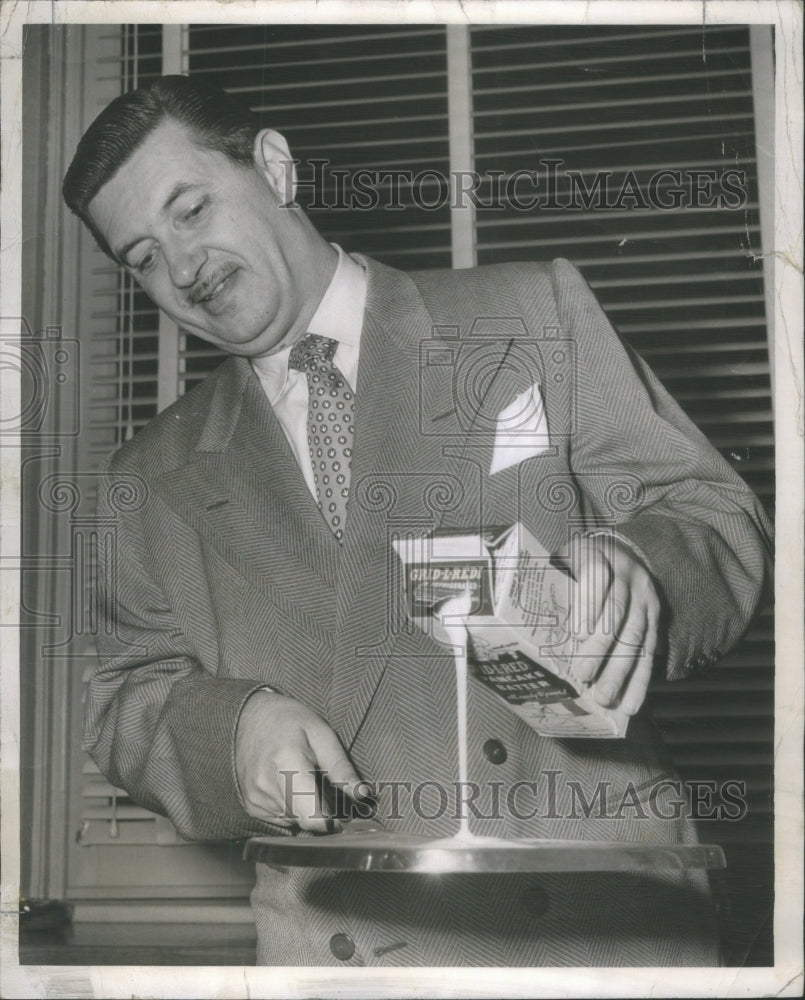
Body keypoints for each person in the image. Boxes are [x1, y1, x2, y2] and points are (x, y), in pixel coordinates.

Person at [63, 75, 773, 967]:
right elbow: (130, 696)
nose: (184, 266)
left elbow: (709, 515)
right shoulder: (150, 475)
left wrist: (639, 567)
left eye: (192, 209)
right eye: (142, 256)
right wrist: (233, 726)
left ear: (275, 167)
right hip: (341, 951)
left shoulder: (527, 314)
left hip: (597, 929)